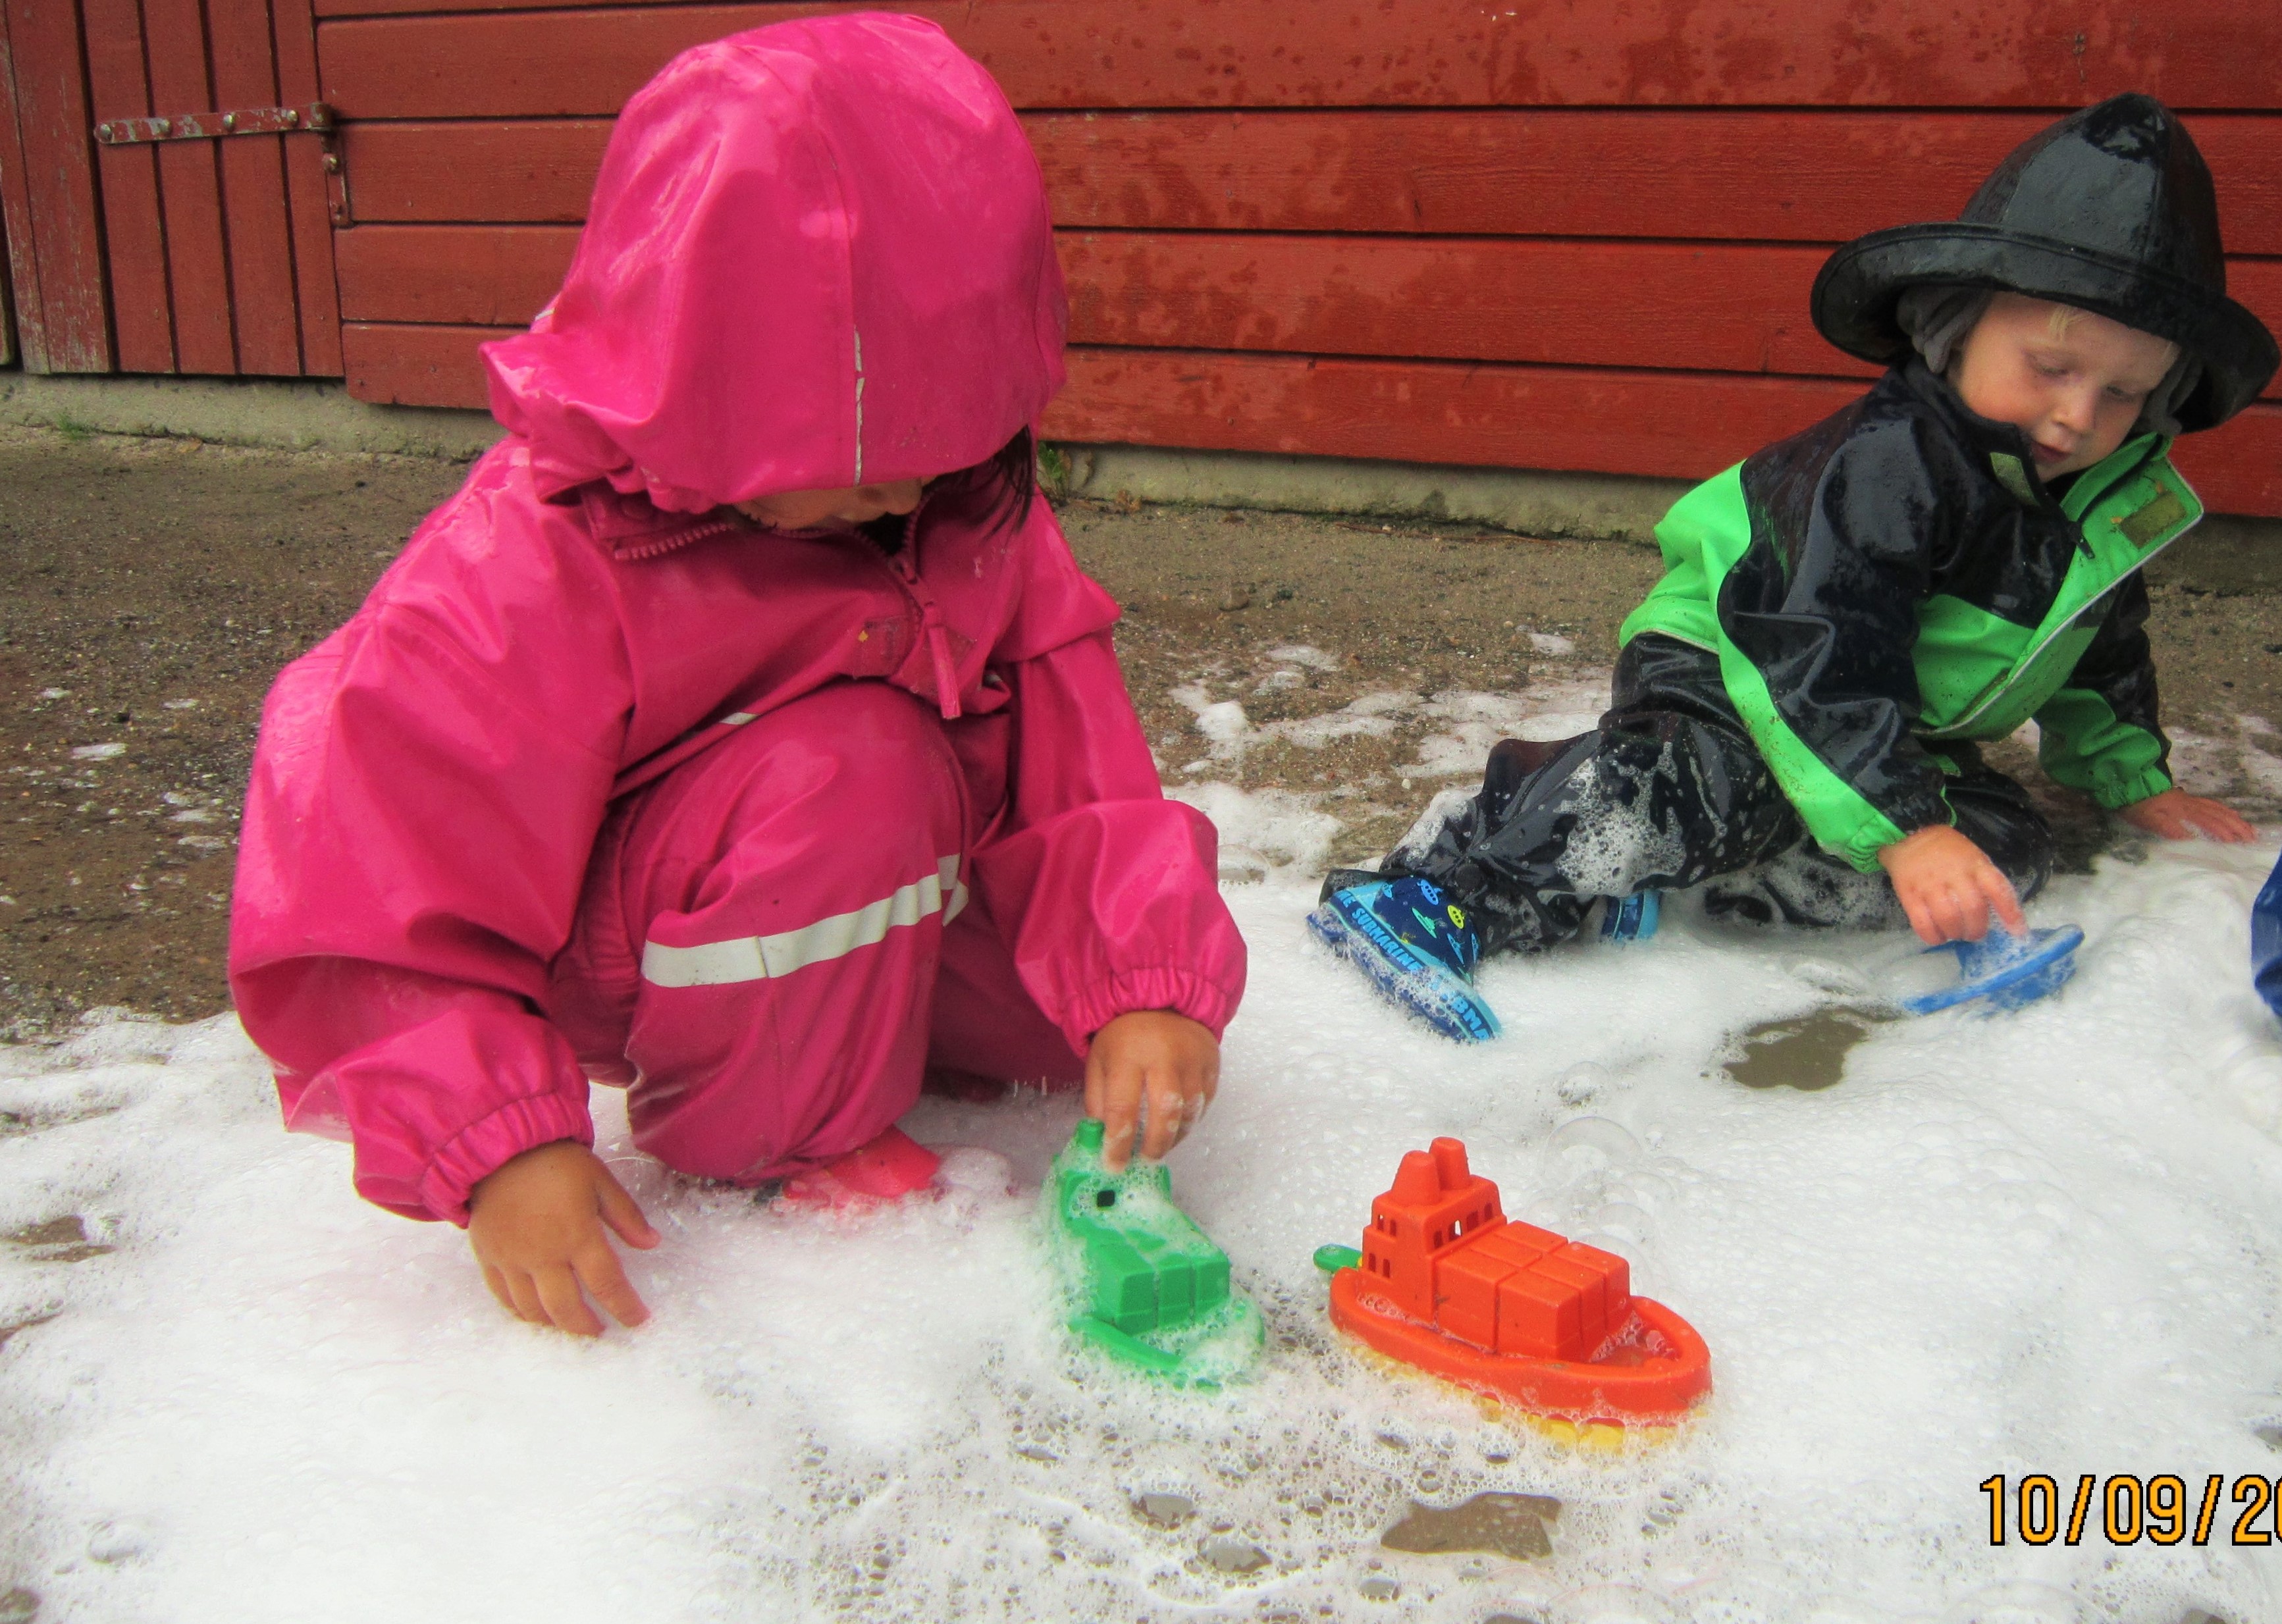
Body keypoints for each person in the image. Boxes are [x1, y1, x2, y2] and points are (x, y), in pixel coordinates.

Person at [228, 14, 1246, 1332]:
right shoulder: (533, 564)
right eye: (849, 452)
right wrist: (496, 1137)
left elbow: (1076, 760)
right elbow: (372, 865)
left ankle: (868, 1024)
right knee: (853, 773)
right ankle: (778, 1136)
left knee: (1088, 1030)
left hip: (873, 883)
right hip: (658, 926)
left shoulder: (959, 503)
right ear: (692, 375)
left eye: (940, 446)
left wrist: (1142, 981)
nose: (901, 490)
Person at [1312, 93, 2277, 1042]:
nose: (2077, 417)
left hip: (1880, 717)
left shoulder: (2098, 497)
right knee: (1708, 783)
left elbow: (2097, 646)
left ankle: (1688, 878)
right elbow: (1819, 647)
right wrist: (1905, 829)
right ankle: (1443, 888)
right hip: (1740, 661)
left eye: (2121, 394)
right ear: (1953, 328)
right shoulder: (1885, 465)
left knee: (2004, 850)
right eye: (2048, 369)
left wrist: (2129, 780)